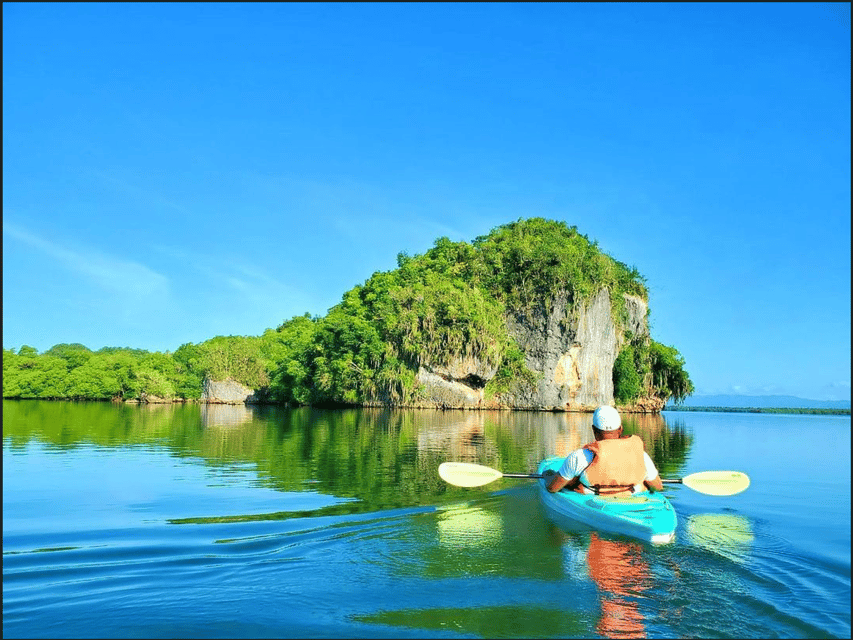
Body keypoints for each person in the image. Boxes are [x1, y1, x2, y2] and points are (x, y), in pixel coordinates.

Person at [546, 405, 664, 495]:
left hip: (593, 503)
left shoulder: (579, 457)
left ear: (594, 430)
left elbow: (552, 488)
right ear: (620, 429)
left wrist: (548, 476)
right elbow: (657, 487)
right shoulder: (641, 456)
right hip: (633, 501)